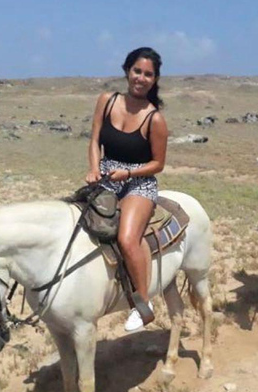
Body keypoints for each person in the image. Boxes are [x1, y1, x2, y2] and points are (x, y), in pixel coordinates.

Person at [85, 47, 169, 331]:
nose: (141, 78)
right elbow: (95, 140)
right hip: (106, 176)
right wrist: (94, 169)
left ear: (154, 80)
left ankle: (143, 305)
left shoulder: (154, 118)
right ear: (127, 71)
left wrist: (129, 172)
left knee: (127, 238)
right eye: (137, 71)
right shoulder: (106, 101)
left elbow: (158, 163)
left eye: (148, 74)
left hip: (139, 182)